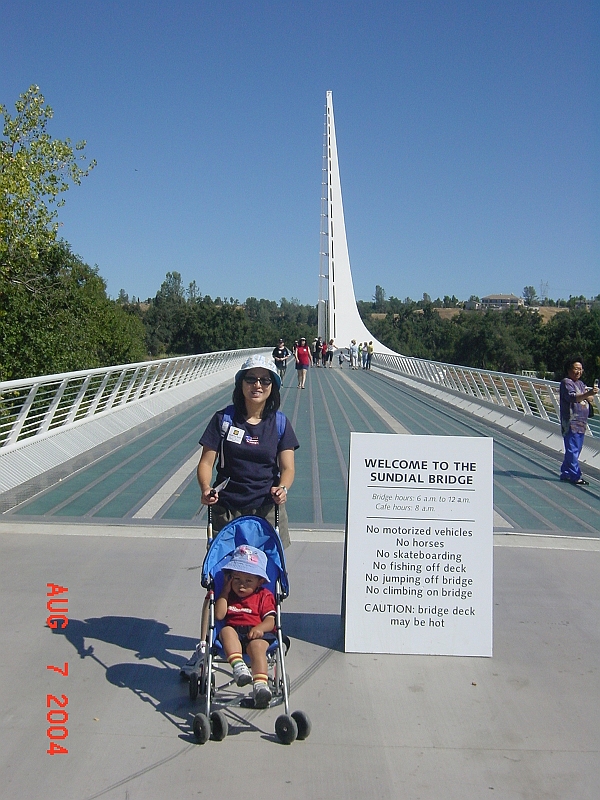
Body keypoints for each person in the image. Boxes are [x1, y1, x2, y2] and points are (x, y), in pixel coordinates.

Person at [181, 354, 298, 677]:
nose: (257, 385)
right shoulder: (224, 420)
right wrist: (206, 488)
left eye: (264, 380)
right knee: (221, 578)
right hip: (228, 508)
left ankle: (259, 635)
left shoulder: (280, 424)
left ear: (273, 386)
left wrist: (282, 488)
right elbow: (207, 462)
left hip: (266, 510)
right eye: (251, 379)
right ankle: (207, 642)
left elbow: (287, 468)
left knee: (264, 577)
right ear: (240, 384)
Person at [216, 544, 276, 708]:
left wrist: (260, 628)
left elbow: (271, 621)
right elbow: (219, 615)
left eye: (248, 581)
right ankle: (239, 668)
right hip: (234, 632)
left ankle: (260, 685)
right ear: (230, 578)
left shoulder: (264, 596)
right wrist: (225, 591)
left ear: (260, 581)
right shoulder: (229, 595)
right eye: (237, 579)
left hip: (257, 633)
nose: (241, 585)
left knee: (257, 647)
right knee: (226, 631)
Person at [559, 358, 598, 485]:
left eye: (580, 369)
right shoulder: (566, 383)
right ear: (569, 369)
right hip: (571, 421)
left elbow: (586, 396)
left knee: (576, 448)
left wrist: (589, 395)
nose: (578, 372)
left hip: (581, 422)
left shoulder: (580, 384)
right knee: (572, 449)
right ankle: (575, 476)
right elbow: (572, 397)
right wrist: (587, 394)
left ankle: (566, 472)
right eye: (576, 369)